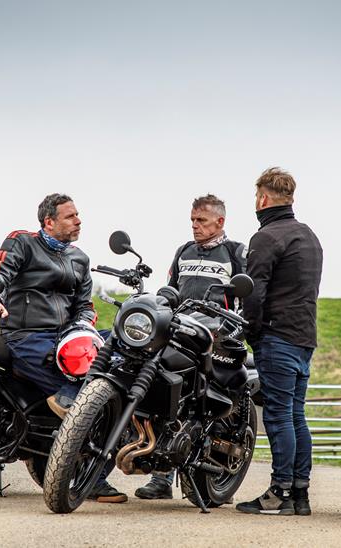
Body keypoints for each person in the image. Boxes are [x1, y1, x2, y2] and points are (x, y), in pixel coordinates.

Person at [0, 192, 127, 504]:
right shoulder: (23, 242)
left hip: (68, 338)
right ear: (49, 222)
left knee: (123, 354)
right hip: (26, 337)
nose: (78, 220)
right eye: (70, 216)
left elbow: (85, 307)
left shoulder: (80, 259)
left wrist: (83, 331)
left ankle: (94, 455)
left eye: (77, 215)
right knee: (85, 400)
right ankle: (82, 458)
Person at [134, 194, 246, 500]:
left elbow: (248, 299)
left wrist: (235, 328)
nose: (195, 226)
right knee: (169, 397)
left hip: (217, 339)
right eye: (192, 220)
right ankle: (161, 476)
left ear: (220, 222)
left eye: (202, 221)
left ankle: (214, 469)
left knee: (206, 405)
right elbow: (172, 287)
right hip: (181, 334)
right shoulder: (183, 251)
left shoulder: (236, 252)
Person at [235, 168, 323, 516]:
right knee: (296, 415)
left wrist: (251, 332)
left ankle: (279, 491)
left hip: (278, 336)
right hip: (305, 337)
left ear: (262, 199)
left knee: (278, 416)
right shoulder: (309, 236)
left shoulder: (267, 237)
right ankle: (300, 495)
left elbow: (254, 294)